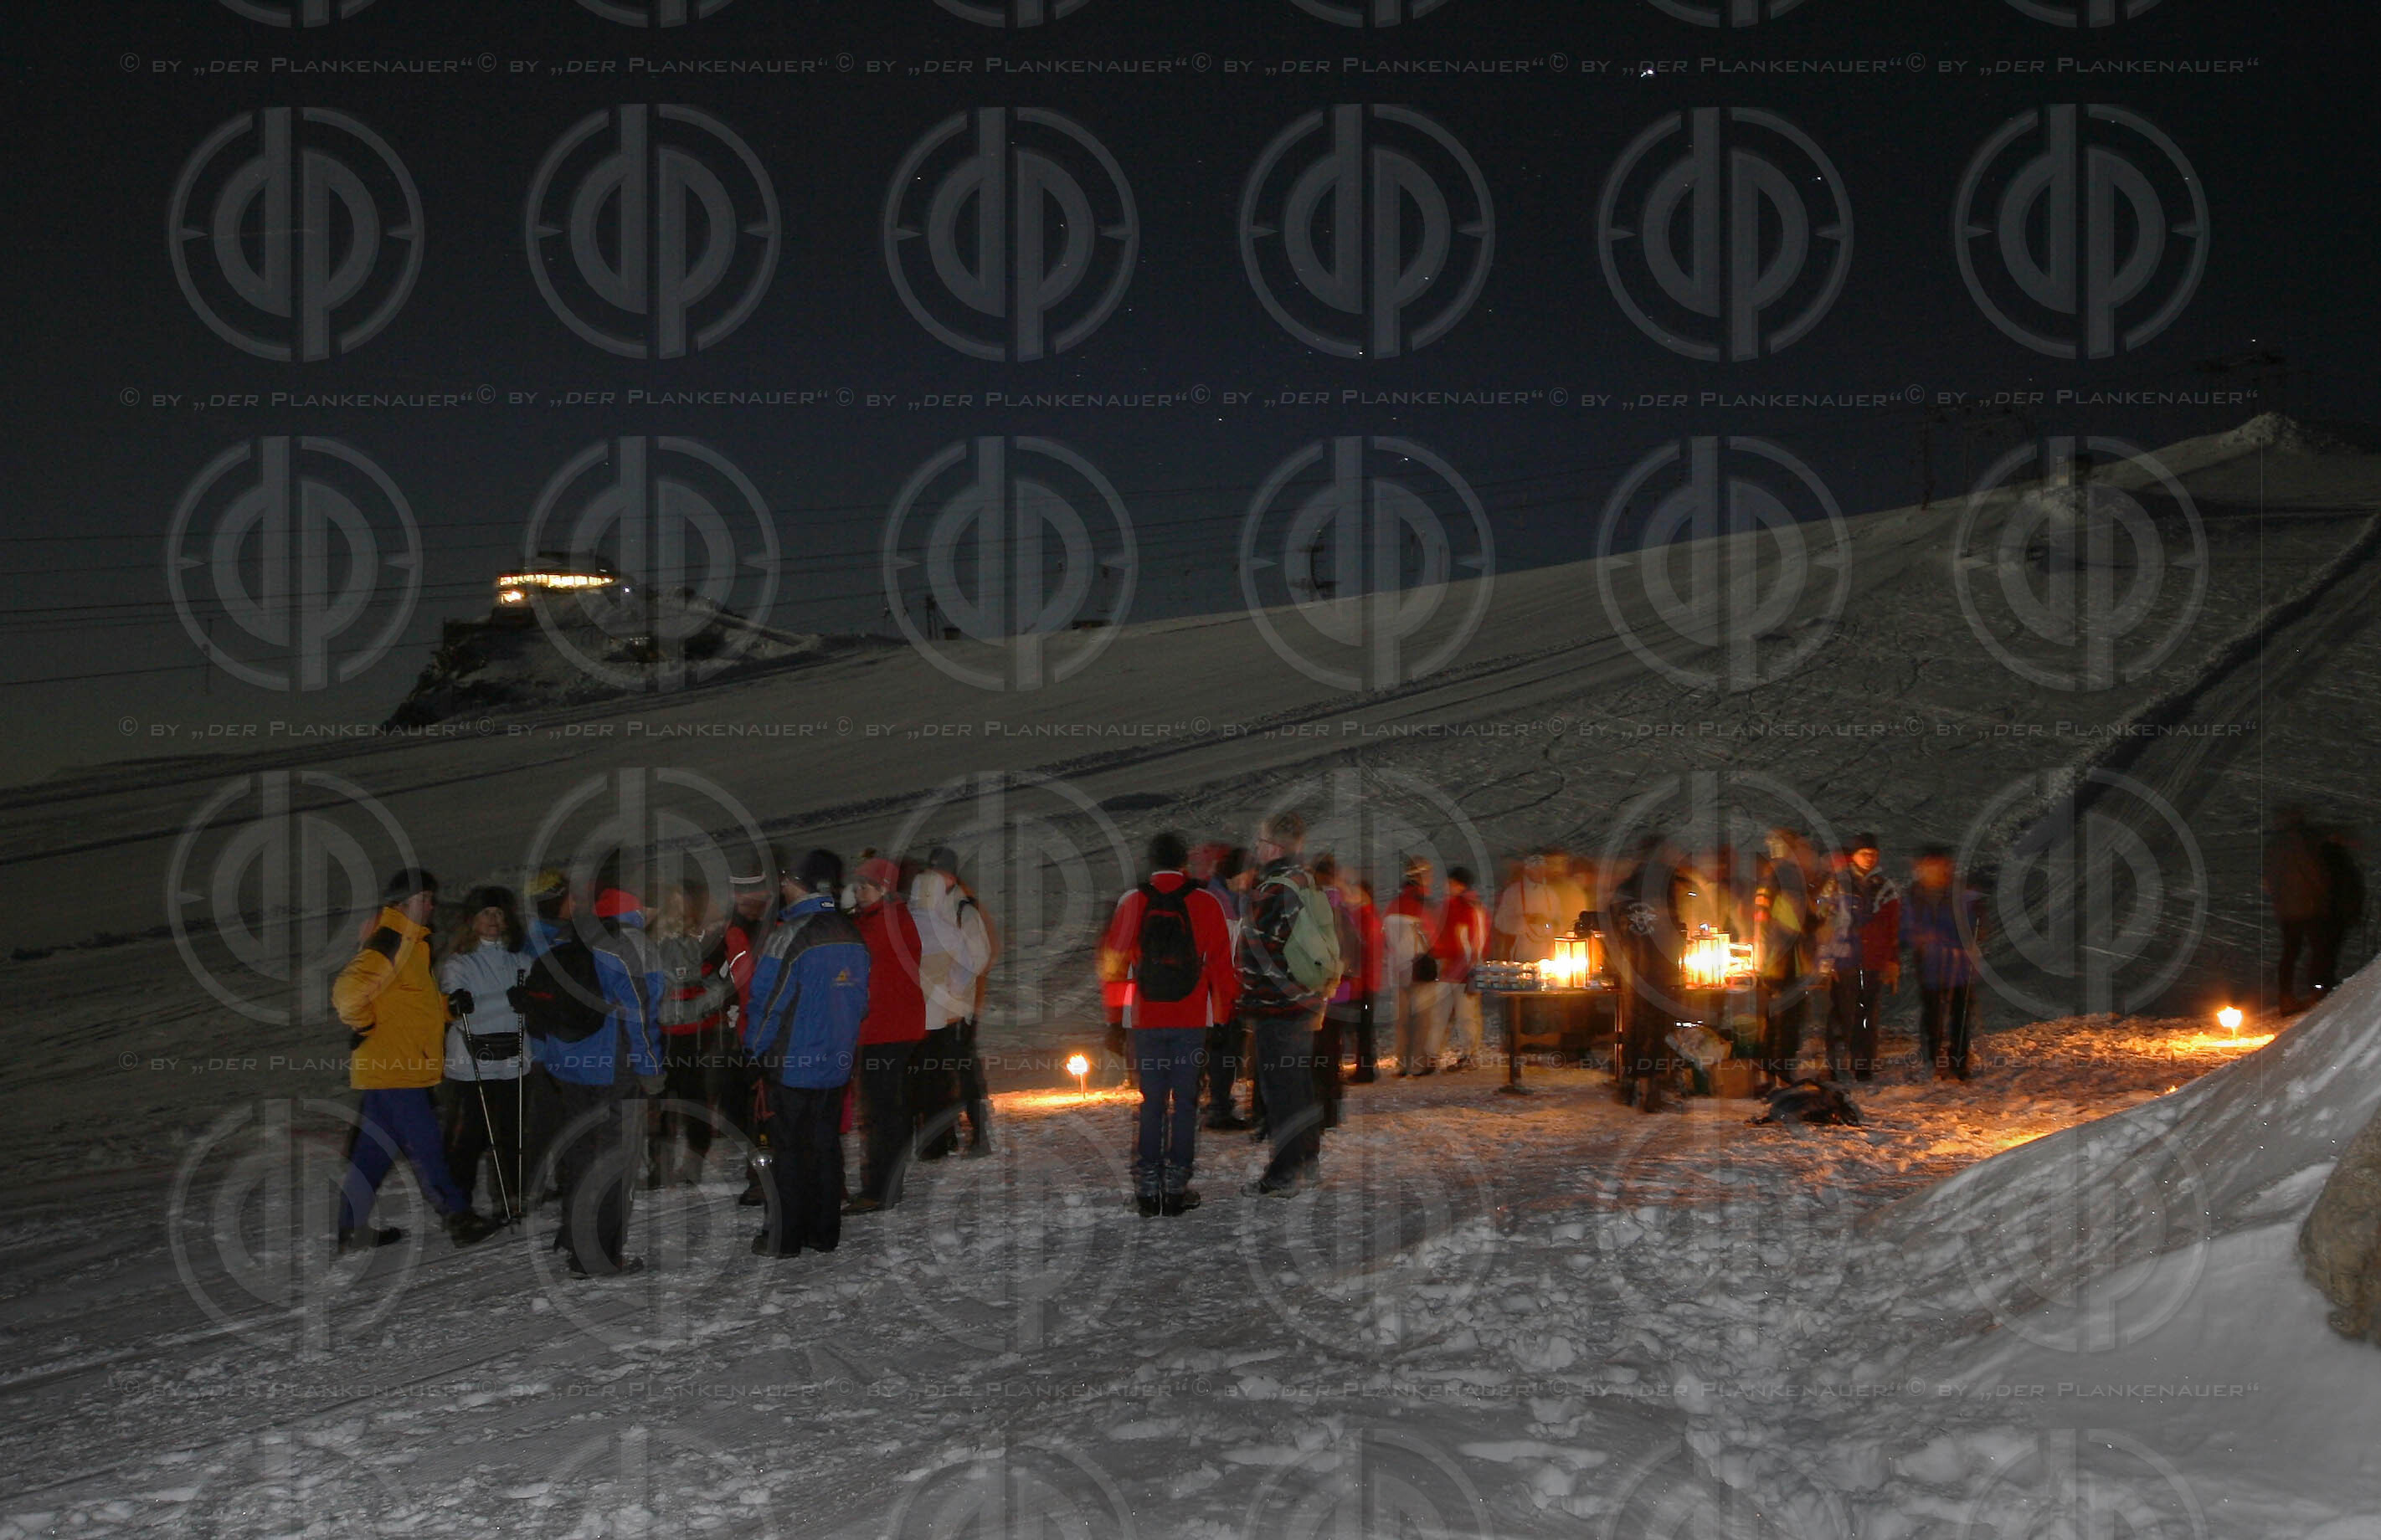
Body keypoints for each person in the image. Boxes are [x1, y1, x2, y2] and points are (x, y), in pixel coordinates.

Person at [332, 870, 501, 1253]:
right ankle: (459, 1218)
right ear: (406, 901)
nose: (432, 906)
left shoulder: (412, 943)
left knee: (372, 1153)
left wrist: (447, 1008)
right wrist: (365, 1023)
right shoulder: (391, 941)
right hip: (396, 1068)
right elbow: (348, 994)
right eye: (426, 898)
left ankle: (350, 1228)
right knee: (428, 1147)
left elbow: (408, 1005)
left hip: (390, 1067)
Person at [1100, 831, 1240, 1215]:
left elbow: (1114, 967)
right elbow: (1222, 968)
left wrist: (1116, 1018)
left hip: (1145, 1019)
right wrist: (1224, 1016)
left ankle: (1147, 1187)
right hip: (1192, 1017)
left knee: (1152, 1103)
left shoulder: (1133, 902)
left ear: (1152, 861)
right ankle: (1177, 1186)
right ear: (1182, 862)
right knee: (1187, 1102)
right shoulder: (1205, 902)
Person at [742, 848, 871, 1258]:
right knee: (826, 1145)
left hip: (792, 1063)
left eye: (784, 879)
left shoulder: (789, 935)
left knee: (788, 1151)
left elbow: (767, 1003)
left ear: (795, 883)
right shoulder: (852, 933)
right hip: (836, 1061)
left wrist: (753, 1052)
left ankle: (783, 1238)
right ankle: (824, 1231)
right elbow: (862, 1002)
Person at [541, 872, 665, 1278]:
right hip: (615, 1068)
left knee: (581, 1152)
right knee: (616, 1160)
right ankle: (599, 1257)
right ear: (637, 906)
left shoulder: (573, 938)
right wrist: (651, 1070)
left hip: (570, 1066)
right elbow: (642, 1015)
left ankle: (574, 1235)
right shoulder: (633, 945)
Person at [1239, 813, 1335, 1196]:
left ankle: (1284, 1173)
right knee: (1300, 1086)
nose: (1257, 849)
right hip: (1307, 1000)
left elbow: (1256, 952)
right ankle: (1308, 1160)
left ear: (1274, 847)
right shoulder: (1307, 882)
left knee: (1281, 1093)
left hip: (1276, 1005)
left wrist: (1246, 989)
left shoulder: (1272, 889)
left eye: (1261, 842)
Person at [438, 886, 532, 1223]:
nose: (494, 919)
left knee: (512, 1132)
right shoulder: (458, 964)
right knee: (473, 1135)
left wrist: (524, 1002)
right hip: (472, 1060)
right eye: (486, 913)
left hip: (513, 1058)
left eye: (499, 913)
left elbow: (529, 1006)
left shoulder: (521, 960)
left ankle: (509, 1196)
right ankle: (458, 1203)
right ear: (472, 921)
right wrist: (509, 1000)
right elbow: (466, 1013)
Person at [847, 856, 928, 1213]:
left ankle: (881, 1187)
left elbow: (861, 962)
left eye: (864, 886)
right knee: (882, 1111)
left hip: (886, 1030)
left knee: (880, 1113)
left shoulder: (886, 923)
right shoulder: (879, 920)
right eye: (857, 886)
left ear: (883, 887)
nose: (858, 893)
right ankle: (882, 1184)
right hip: (886, 1028)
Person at [912, 846, 996, 1159]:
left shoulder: (963, 910)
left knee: (963, 1070)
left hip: (959, 1009)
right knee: (933, 1072)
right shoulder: (928, 907)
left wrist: (953, 990)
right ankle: (943, 1135)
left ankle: (979, 1132)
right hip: (932, 1008)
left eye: (941, 873)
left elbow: (978, 957)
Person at [1607, 839, 1684, 1113]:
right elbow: (1674, 929)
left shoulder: (1625, 888)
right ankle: (1650, 1087)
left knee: (1634, 1027)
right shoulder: (1664, 886)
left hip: (1632, 968)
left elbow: (1612, 928)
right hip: (1657, 969)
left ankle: (1631, 1084)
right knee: (1655, 1027)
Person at [721, 853, 779, 1206]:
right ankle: (762, 1173)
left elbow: (750, 987)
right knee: (749, 1108)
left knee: (762, 1111)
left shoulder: (751, 931)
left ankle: (765, 1177)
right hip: (749, 1029)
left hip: (759, 1032)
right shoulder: (740, 929)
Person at [1817, 834, 1900, 1081]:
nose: (1869, 858)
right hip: (1842, 959)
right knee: (1841, 1012)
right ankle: (1835, 1064)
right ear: (1853, 855)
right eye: (1864, 853)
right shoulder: (1837, 884)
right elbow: (1823, 923)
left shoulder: (1885, 887)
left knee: (1868, 1013)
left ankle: (1863, 1063)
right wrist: (1824, 960)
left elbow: (1892, 927)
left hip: (1872, 959)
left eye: (1873, 854)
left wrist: (1892, 960)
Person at [1904, 845, 1984, 1081]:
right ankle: (1932, 1058)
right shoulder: (1915, 894)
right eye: (1929, 865)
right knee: (1933, 1012)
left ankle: (1959, 1061)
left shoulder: (1961, 893)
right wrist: (1919, 938)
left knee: (1960, 1013)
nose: (1935, 870)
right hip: (1930, 961)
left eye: (1939, 864)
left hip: (1959, 962)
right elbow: (1908, 926)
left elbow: (1974, 925)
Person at [1751, 830, 1818, 1089]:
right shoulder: (1786, 875)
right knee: (1787, 1019)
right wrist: (1817, 923)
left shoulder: (1770, 876)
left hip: (1774, 958)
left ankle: (1768, 1071)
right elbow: (1795, 918)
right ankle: (1780, 1073)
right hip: (1785, 958)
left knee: (1775, 1018)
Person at [2265, 806, 2333, 1013]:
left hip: (2287, 908)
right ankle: (2318, 990)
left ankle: (2286, 996)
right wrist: (2323, 892)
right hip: (2307, 905)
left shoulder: (2274, 845)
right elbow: (2311, 871)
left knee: (2290, 952)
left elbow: (2270, 878)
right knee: (2318, 949)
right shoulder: (2300, 842)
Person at [1383, 859, 1442, 1076]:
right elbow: (1434, 939)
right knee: (1423, 1019)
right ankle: (1418, 1063)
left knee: (1402, 1019)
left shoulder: (1393, 905)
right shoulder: (1425, 905)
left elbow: (1386, 939)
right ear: (1422, 877)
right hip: (1420, 967)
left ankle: (1402, 1063)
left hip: (1397, 969)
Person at [1436, 866, 1490, 1070]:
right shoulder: (1466, 907)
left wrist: (1471, 966)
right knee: (1459, 1014)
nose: (1446, 886)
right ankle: (1462, 1053)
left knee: (1465, 1014)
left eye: (1450, 883)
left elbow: (1473, 940)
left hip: (1461, 969)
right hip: (1455, 968)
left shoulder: (1466, 907)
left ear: (1458, 884)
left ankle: (1468, 1054)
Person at [2313, 827, 2365, 1002]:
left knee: (2328, 947)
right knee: (2328, 947)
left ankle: (2323, 982)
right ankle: (2323, 983)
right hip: (2333, 911)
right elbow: (2342, 886)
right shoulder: (2333, 858)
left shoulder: (2330, 857)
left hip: (2333, 910)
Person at [1344, 875, 1386, 1084]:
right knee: (1364, 1028)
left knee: (1363, 1028)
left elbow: (1362, 951)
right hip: (1369, 980)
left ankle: (1366, 1069)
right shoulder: (1370, 916)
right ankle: (1367, 1067)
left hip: (1364, 982)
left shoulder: (1364, 917)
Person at [1492, 852, 1561, 963]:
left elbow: (1559, 924)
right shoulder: (1513, 892)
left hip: (1547, 957)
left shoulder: (1551, 894)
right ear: (1527, 870)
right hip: (1520, 955)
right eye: (1536, 869)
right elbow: (1500, 923)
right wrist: (1525, 920)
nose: (1540, 873)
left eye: (1542, 869)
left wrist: (1546, 923)